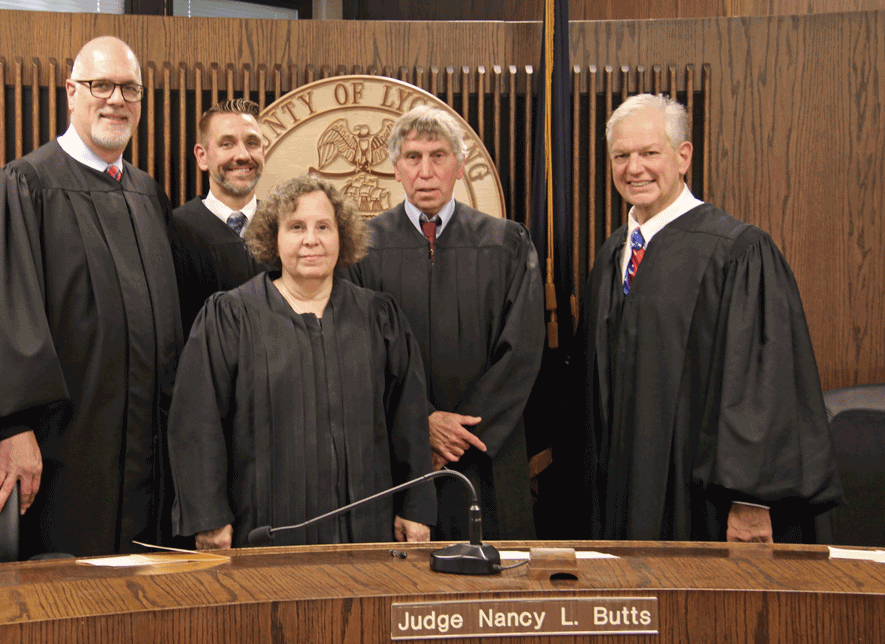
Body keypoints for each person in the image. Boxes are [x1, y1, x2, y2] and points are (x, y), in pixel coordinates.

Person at [0, 36, 183, 558]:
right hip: (62, 455)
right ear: (71, 92)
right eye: (101, 85)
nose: (116, 99)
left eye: (130, 88)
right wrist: (13, 426)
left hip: (148, 455)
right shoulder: (25, 186)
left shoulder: (148, 196)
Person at [570, 93, 842, 542]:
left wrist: (751, 501)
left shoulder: (737, 252)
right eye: (621, 155)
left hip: (700, 505)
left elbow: (763, 386)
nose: (634, 168)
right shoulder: (613, 253)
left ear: (683, 157)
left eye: (649, 153)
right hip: (620, 500)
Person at [168, 175, 436, 549]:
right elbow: (197, 423)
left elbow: (407, 419)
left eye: (323, 227)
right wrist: (209, 518)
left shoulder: (378, 317)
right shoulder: (231, 317)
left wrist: (417, 506)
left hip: (366, 532)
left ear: (341, 237)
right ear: (273, 238)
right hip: (265, 534)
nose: (311, 240)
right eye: (296, 227)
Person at [342, 106, 544, 541]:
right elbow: (357, 355)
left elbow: (521, 350)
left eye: (438, 156)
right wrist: (423, 424)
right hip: (400, 457)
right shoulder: (364, 249)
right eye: (413, 157)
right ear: (396, 168)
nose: (426, 171)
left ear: (459, 164)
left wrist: (458, 432)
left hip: (485, 449)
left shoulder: (506, 242)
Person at [170, 99, 268, 338]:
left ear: (263, 152)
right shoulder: (175, 231)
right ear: (202, 156)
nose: (243, 155)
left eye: (252, 143)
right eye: (227, 144)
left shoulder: (285, 227)